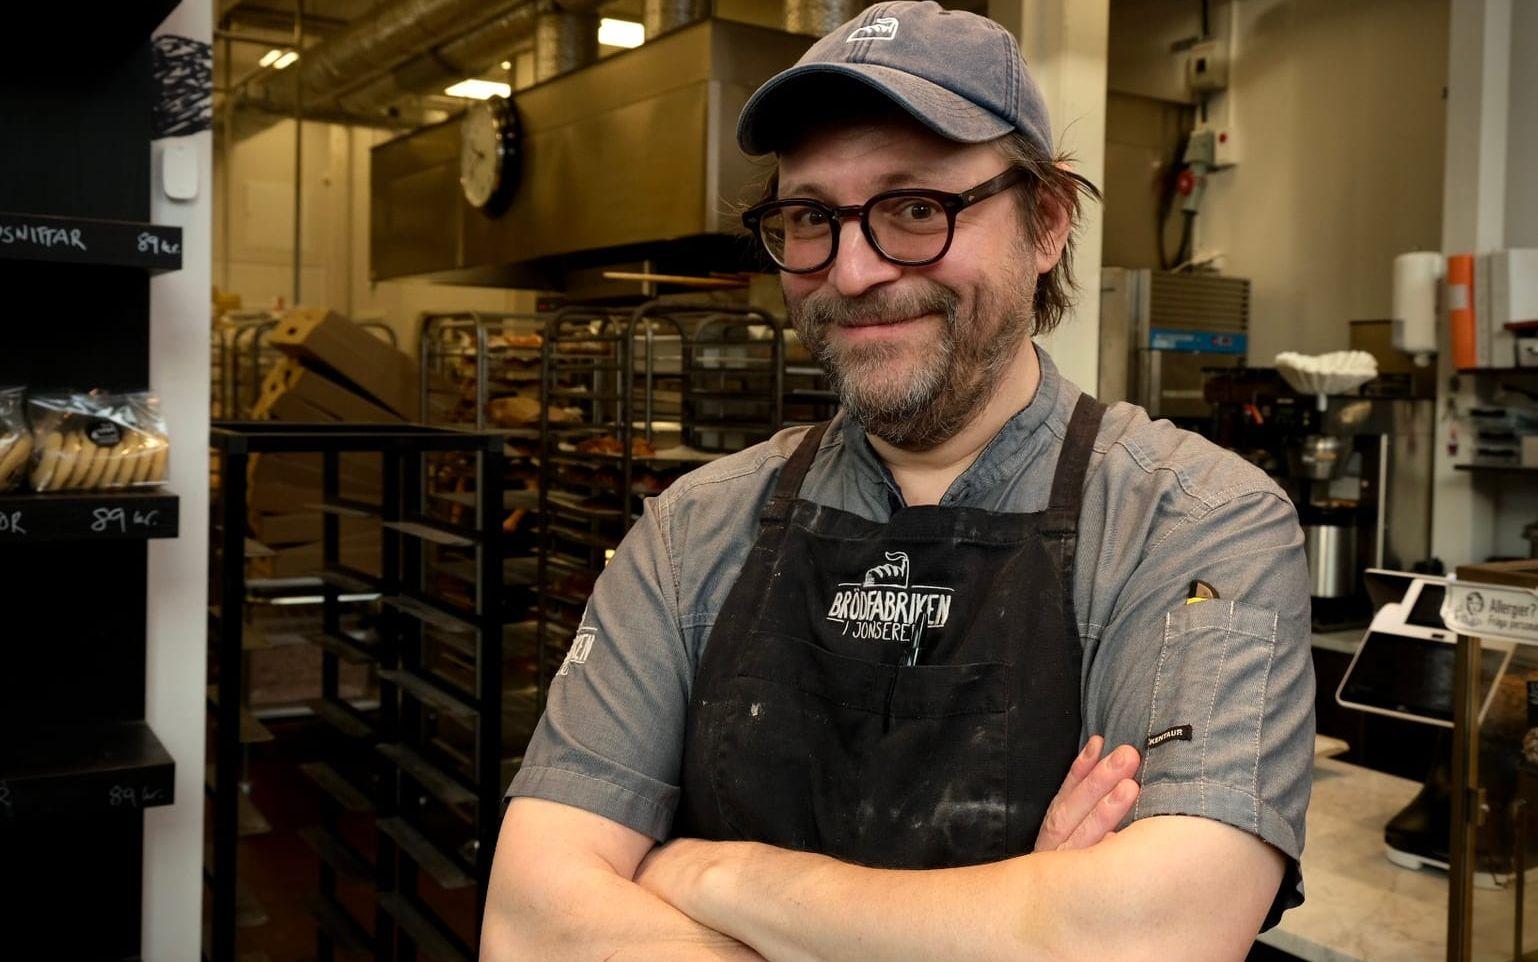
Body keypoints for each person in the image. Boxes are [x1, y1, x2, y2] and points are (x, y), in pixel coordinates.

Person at [484, 3, 1314, 959]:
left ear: (1047, 222)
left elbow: (1154, 936)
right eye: (810, 218)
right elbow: (528, 925)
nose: (852, 271)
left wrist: (715, 877)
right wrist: (1027, 917)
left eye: (916, 208)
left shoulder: (1192, 526)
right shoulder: (689, 533)